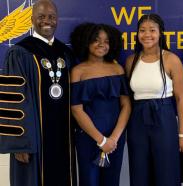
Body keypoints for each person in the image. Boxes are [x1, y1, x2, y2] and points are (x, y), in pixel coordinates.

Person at [0, 0, 76, 186]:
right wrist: (20, 144)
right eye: (41, 17)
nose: (47, 21)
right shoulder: (20, 52)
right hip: (33, 140)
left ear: (57, 20)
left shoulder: (65, 53)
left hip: (63, 135)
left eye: (51, 17)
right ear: (32, 19)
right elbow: (13, 100)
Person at [125, 13, 183, 186]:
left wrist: (182, 134)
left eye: (152, 30)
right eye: (142, 30)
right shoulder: (131, 61)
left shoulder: (171, 60)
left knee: (166, 172)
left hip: (164, 118)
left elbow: (181, 99)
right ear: (137, 34)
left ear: (160, 33)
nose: (147, 35)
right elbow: (128, 99)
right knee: (139, 171)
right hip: (137, 122)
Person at [70, 23, 131, 186]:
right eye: (96, 40)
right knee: (89, 181)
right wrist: (101, 140)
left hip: (115, 139)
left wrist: (113, 138)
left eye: (106, 41)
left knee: (112, 181)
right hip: (88, 138)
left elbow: (126, 106)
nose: (102, 44)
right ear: (85, 42)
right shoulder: (77, 71)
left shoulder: (118, 69)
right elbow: (76, 110)